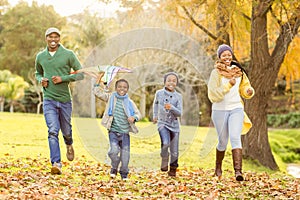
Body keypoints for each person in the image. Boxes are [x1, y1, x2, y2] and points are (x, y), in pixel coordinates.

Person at [35, 27, 84, 175]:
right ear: (46, 38)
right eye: (50, 37)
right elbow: (38, 72)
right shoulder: (40, 56)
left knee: (66, 130)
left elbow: (80, 74)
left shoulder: (68, 54)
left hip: (64, 100)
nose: (53, 39)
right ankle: (56, 163)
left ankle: (69, 144)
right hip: (49, 99)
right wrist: (40, 80)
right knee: (52, 131)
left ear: (59, 39)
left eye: (56, 37)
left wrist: (63, 78)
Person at [207, 44, 255, 181]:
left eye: (229, 54)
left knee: (235, 137)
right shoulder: (216, 73)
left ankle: (238, 172)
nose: (227, 57)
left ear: (232, 55)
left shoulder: (239, 71)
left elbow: (245, 87)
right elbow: (213, 95)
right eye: (224, 55)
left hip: (236, 109)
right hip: (219, 110)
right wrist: (228, 85)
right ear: (220, 57)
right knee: (222, 141)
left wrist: (248, 91)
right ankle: (218, 168)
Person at [93, 79, 141, 180]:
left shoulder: (130, 102)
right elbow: (98, 93)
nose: (122, 89)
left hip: (125, 133)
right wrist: (98, 81)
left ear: (127, 89)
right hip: (113, 131)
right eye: (119, 87)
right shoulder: (111, 97)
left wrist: (134, 118)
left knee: (125, 156)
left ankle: (124, 174)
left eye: (124, 87)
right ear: (115, 88)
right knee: (113, 151)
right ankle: (114, 167)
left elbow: (138, 114)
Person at [152, 72, 183, 177]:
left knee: (174, 151)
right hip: (162, 123)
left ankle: (173, 170)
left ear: (176, 83)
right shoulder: (159, 93)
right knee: (165, 143)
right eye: (169, 80)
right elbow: (155, 104)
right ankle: (164, 158)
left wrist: (172, 108)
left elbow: (179, 113)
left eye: (174, 81)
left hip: (174, 126)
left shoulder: (178, 96)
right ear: (165, 82)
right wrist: (155, 115)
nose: (171, 82)